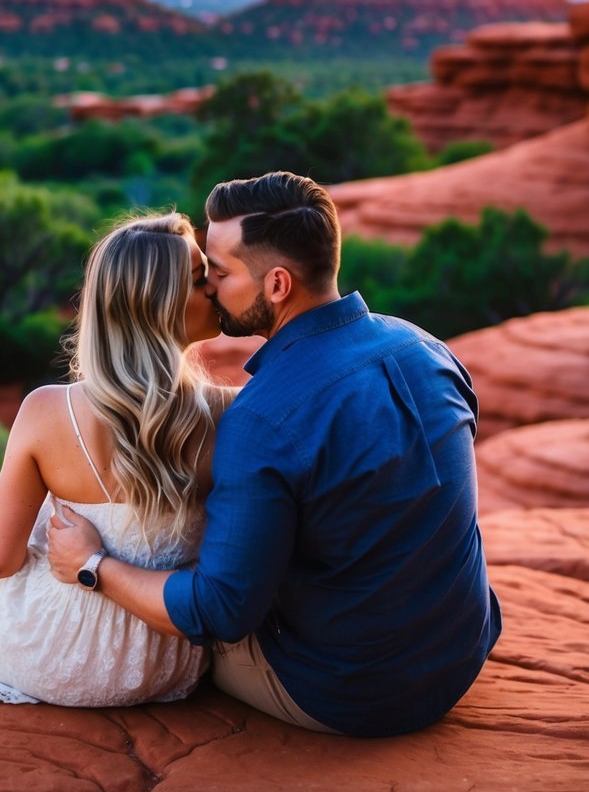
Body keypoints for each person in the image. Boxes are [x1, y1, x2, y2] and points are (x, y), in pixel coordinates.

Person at [48, 171, 502, 737]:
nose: (209, 287)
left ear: (278, 285)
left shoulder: (261, 418)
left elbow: (218, 611)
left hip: (345, 694)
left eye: (220, 271)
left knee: (175, 650)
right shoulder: (428, 348)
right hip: (460, 657)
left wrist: (94, 566)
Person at [0, 211, 228, 706]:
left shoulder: (46, 410)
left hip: (54, 657)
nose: (212, 288)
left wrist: (71, 546)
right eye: (197, 279)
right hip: (166, 662)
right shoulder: (229, 412)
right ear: (155, 304)